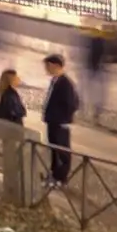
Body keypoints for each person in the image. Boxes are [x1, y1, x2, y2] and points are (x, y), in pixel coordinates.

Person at [41, 53, 79, 188]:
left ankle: (61, 178)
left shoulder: (65, 84)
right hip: (52, 121)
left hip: (60, 122)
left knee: (62, 151)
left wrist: (64, 118)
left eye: (48, 66)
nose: (46, 69)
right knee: (54, 149)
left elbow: (73, 104)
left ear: (55, 65)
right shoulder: (55, 81)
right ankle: (54, 174)